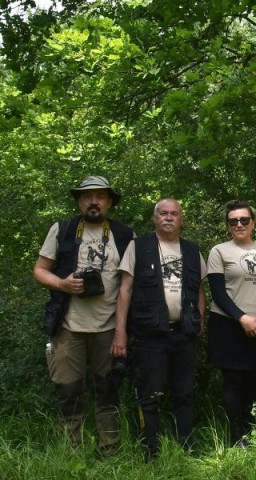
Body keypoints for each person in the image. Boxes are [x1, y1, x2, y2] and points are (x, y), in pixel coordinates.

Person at [33, 176, 134, 457]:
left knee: (108, 390)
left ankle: (109, 452)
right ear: (79, 201)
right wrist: (62, 284)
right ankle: (71, 453)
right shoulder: (62, 230)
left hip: (109, 328)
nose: (94, 202)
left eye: (100, 197)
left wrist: (124, 331)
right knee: (68, 390)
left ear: (110, 202)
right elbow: (40, 270)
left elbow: (130, 284)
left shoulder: (125, 235)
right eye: (88, 197)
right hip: (68, 325)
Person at [114, 198, 207, 460]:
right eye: (163, 213)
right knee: (149, 394)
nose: (168, 218)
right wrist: (120, 332)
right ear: (155, 218)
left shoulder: (191, 250)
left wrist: (200, 319)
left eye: (174, 214)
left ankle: (186, 446)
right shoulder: (138, 246)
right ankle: (149, 449)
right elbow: (125, 290)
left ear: (181, 219)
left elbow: (199, 288)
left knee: (184, 393)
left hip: (184, 334)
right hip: (150, 334)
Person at [207, 200, 256, 447]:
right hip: (228, 324)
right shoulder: (220, 251)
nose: (239, 224)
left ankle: (249, 429)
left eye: (244, 220)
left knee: (253, 380)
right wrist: (242, 319)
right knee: (233, 381)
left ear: (254, 223)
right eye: (233, 221)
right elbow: (218, 293)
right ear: (227, 225)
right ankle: (234, 434)